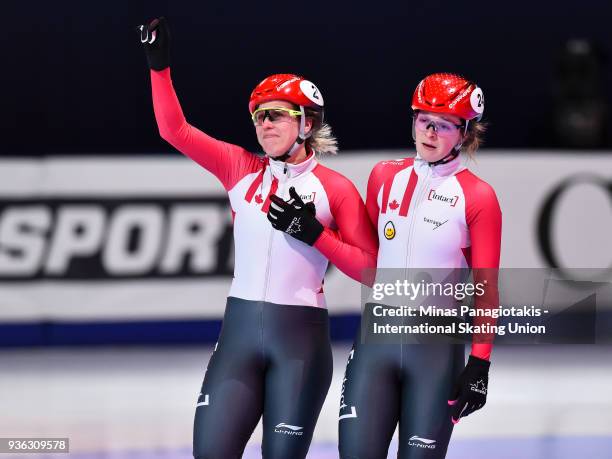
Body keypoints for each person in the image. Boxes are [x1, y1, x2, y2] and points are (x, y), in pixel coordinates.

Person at [137, 17, 377, 459]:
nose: (264, 124)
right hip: (238, 337)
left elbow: (373, 271)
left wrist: (316, 235)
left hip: (300, 344)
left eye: (277, 115)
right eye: (258, 116)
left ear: (306, 124)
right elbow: (175, 131)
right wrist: (159, 67)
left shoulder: (335, 189)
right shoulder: (239, 168)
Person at [337, 73, 502, 458]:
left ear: (464, 132)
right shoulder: (383, 176)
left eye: (443, 124)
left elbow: (486, 289)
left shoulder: (478, 197)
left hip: (436, 348)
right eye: (422, 119)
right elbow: (366, 262)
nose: (429, 131)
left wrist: (480, 362)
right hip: (374, 340)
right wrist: (317, 234)